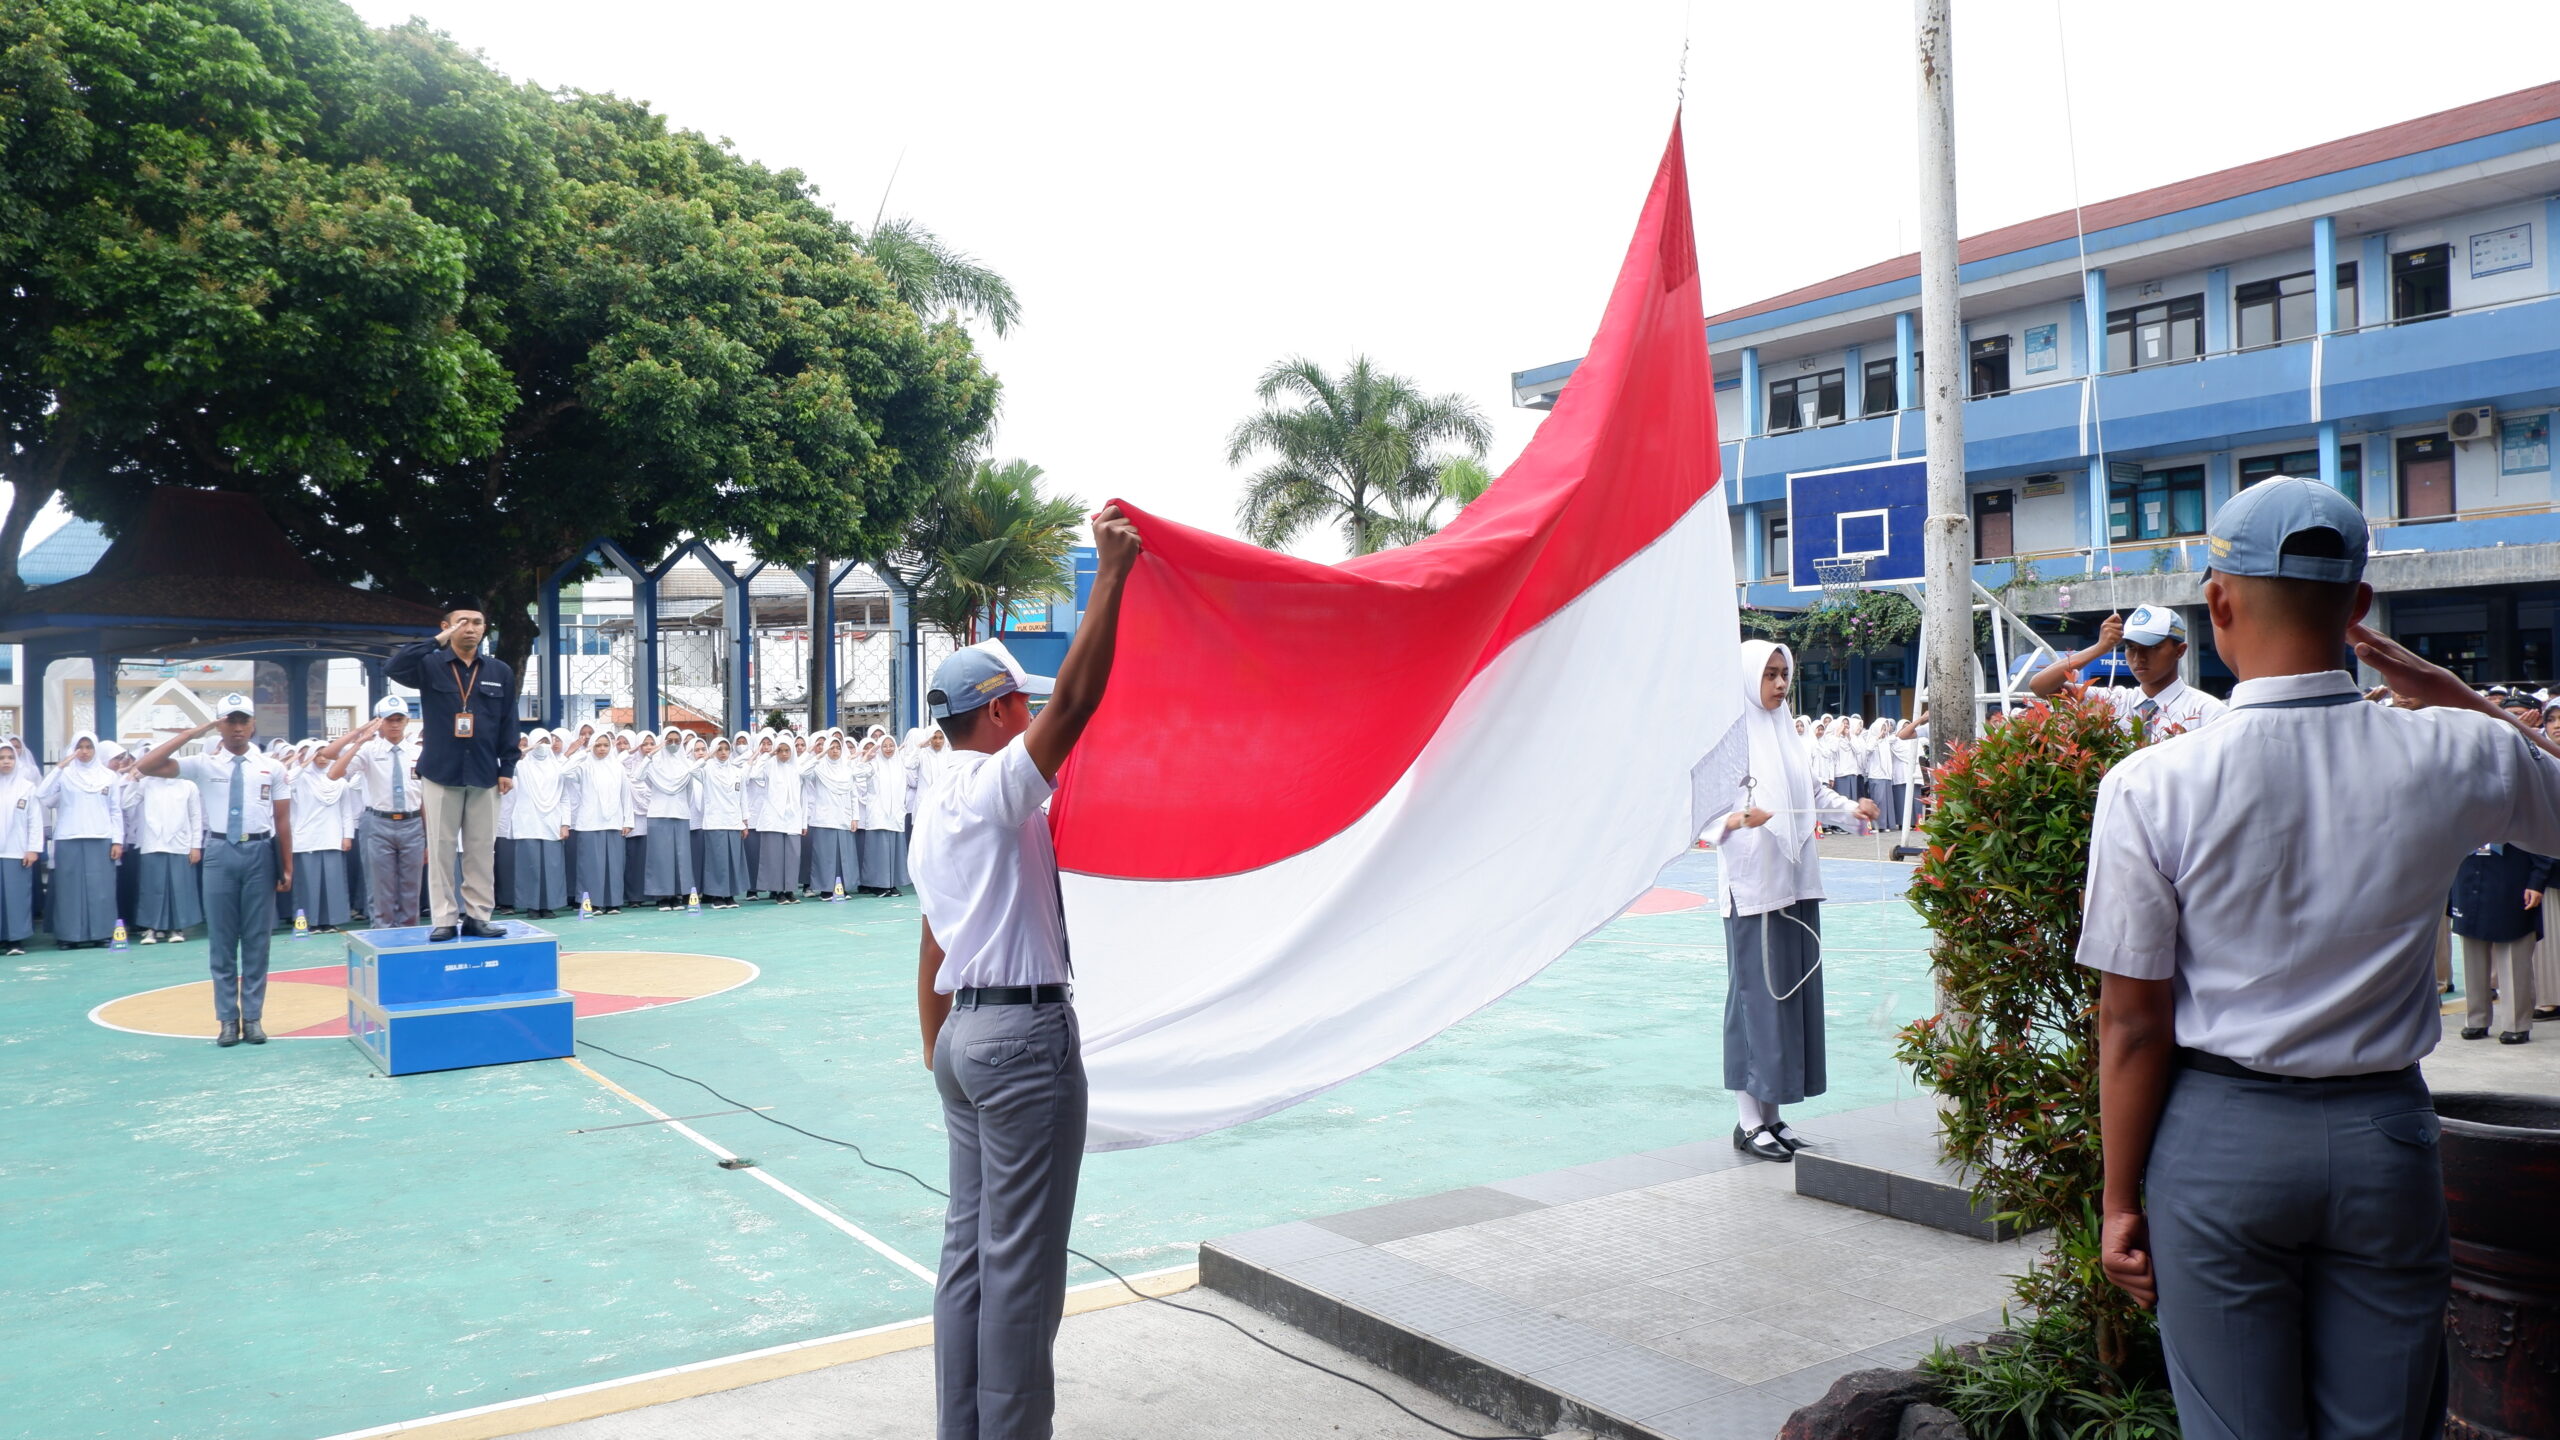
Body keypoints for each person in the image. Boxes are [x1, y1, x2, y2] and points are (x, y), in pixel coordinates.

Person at [2084, 478, 2560, 1440]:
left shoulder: (2151, 785)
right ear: (2358, 608)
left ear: (2217, 605)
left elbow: (2132, 1022)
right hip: (2386, 1132)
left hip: (2220, 1141)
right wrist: (2460, 698)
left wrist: (2118, 1198)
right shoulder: (2455, 752)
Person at [914, 503, 1138, 1440]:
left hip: (967, 1035)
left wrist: (940, 1054)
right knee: (1021, 1268)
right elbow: (1080, 705)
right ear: (1001, 710)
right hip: (1019, 1037)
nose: (1037, 713)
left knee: (970, 1252)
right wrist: (1115, 574)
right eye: (1024, 702)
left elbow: (930, 938)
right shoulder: (993, 786)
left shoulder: (933, 793)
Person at [1705, 641, 1877, 1162]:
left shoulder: (1786, 735)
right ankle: (1747, 1120)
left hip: (1797, 879)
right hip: (1754, 886)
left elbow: (1810, 795)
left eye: (1785, 675)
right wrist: (1735, 821)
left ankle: (1774, 1116)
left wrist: (1853, 807)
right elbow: (1700, 808)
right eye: (1770, 675)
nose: (1780, 685)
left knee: (1790, 1000)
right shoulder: (1730, 739)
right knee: (1756, 1001)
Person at [135, 696, 292, 1047]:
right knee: (221, 941)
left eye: (243, 721)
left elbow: (282, 819)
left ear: (253, 724)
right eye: (229, 721)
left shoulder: (271, 767)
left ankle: (253, 1018)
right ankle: (226, 1020)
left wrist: (287, 866)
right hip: (220, 851)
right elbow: (147, 765)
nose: (237, 728)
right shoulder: (204, 764)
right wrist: (195, 731)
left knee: (257, 941)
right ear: (219, 725)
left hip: (260, 851)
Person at [386, 601, 518, 941]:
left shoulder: (499, 671)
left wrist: (508, 766)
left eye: (477, 622)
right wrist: (437, 640)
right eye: (462, 622)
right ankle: (444, 918)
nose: (470, 628)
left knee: (480, 849)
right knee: (442, 848)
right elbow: (394, 666)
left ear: (485, 628)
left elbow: (508, 721)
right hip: (440, 771)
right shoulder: (430, 665)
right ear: (447, 626)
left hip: (486, 772)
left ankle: (478, 915)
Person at [2030, 603, 2225, 733]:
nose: (2139, 657)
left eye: (2152, 647)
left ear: (2180, 651)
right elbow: (2040, 687)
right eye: (2131, 647)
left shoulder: (2207, 712)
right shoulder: (2115, 701)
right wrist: (2100, 648)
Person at [323, 699, 426, 930]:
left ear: (407, 721)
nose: (395, 725)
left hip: (412, 822)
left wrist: (427, 836)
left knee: (411, 888)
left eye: (399, 719)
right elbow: (333, 769)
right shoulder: (368, 750)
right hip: (379, 822)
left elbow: (424, 797)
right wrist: (359, 736)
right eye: (389, 719)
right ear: (379, 722)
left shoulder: (418, 752)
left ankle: (409, 939)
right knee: (381, 888)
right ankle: (383, 938)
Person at [2450, 840, 2548, 1044]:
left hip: (2512, 879)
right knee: (2472, 954)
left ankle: (2516, 1024)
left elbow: (2542, 843)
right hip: (2468, 876)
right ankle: (2476, 1019)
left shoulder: (2523, 809)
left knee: (2514, 953)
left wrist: (2536, 881)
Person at [35, 732, 126, 949]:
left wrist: (117, 841)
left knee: (100, 889)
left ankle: (102, 933)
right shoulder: (65, 775)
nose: (84, 752)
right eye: (80, 747)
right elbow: (41, 793)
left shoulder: (108, 776)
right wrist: (60, 766)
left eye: (88, 747)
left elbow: (115, 810)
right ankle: (68, 936)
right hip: (69, 838)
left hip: (101, 837)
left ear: (95, 749)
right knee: (69, 890)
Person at [288, 739, 355, 932]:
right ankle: (308, 922)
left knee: (331, 883)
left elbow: (346, 812)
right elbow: (287, 780)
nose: (323, 759)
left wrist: (347, 836)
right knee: (307, 884)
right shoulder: (301, 779)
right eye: (318, 754)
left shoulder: (340, 782)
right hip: (306, 838)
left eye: (327, 754)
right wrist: (302, 764)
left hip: (332, 836)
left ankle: (329, 921)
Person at [506, 729, 573, 919]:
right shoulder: (523, 765)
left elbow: (564, 797)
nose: (543, 746)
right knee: (530, 866)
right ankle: (532, 906)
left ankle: (549, 905)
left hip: (552, 823)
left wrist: (565, 824)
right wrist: (526, 749)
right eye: (540, 742)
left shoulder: (557, 767)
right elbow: (504, 761)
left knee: (552, 867)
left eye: (547, 742)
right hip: (528, 823)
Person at [567, 731, 632, 913]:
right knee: (591, 865)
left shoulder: (617, 767)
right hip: (590, 823)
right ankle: (592, 903)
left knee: (614, 865)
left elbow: (625, 795)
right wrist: (582, 752)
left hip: (614, 822)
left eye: (605, 745)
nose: (602, 749)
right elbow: (564, 772)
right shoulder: (584, 766)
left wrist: (628, 821)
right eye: (597, 745)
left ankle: (613, 902)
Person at [637, 726, 699, 909]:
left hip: (680, 814)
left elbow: (690, 791)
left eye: (676, 741)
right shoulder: (654, 762)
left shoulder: (686, 764)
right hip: (658, 813)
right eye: (669, 741)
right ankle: (663, 896)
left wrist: (683, 808)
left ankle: (678, 894)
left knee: (680, 857)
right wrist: (650, 755)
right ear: (662, 741)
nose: (673, 744)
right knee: (660, 857)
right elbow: (638, 775)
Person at [747, 735, 807, 902]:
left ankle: (789, 890)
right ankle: (778, 891)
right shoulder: (769, 766)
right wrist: (768, 754)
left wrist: (803, 822)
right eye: (780, 750)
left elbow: (803, 796)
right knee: (775, 857)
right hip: (773, 819)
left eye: (787, 750)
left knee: (792, 857)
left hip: (793, 819)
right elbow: (754, 773)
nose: (784, 754)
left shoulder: (797, 768)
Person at [0, 738, 45, 955]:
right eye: (1, 758)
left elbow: (34, 820)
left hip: (17, 850)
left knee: (16, 896)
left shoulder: (26, 787)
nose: (6, 762)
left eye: (10, 757)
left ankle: (15, 940)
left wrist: (33, 848)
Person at [803, 734, 861, 897]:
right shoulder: (819, 768)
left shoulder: (847, 769)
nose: (834, 751)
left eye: (837, 748)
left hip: (843, 818)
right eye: (831, 747)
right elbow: (802, 771)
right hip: (824, 820)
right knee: (825, 857)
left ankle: (841, 888)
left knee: (844, 856)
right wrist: (818, 754)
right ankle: (826, 890)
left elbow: (853, 795)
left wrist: (854, 817)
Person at [695, 736, 749, 908]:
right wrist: (708, 756)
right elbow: (691, 770)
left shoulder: (736, 771)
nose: (723, 753)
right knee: (717, 860)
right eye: (719, 749)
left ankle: (730, 895)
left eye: (726, 749)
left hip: (733, 821)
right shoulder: (707, 770)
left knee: (733, 860)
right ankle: (717, 896)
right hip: (715, 821)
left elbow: (743, 797)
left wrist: (744, 821)